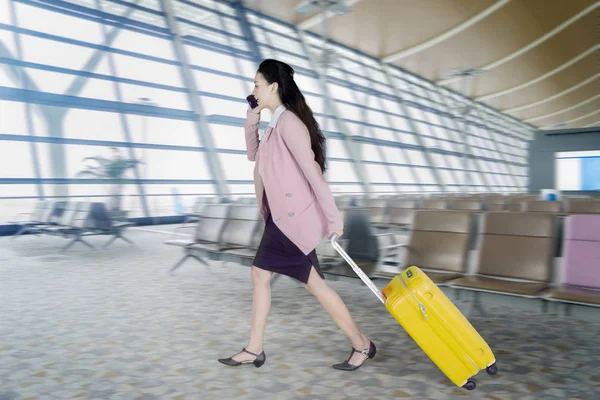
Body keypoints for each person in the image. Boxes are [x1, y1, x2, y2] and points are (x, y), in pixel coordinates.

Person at [218, 59, 376, 371]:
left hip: (292, 222)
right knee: (295, 282)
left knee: (272, 277)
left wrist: (333, 218)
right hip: (281, 220)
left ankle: (359, 344)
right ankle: (360, 344)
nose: (253, 91)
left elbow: (312, 172)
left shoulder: (289, 124)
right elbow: (253, 154)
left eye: (257, 85)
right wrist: (253, 114)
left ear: (273, 87)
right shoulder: (274, 124)